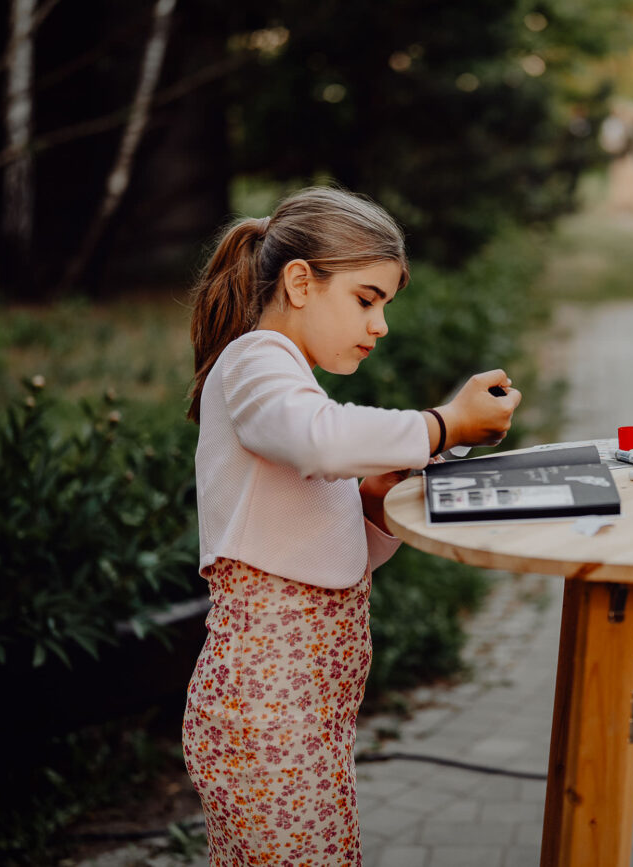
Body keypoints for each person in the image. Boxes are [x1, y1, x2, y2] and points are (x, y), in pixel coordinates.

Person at [182, 186, 520, 865]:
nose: (380, 325)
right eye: (367, 300)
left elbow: (323, 553)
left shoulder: (290, 385)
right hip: (265, 722)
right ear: (300, 282)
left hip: (308, 722)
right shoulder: (255, 361)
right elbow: (321, 440)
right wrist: (444, 424)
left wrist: (368, 504)